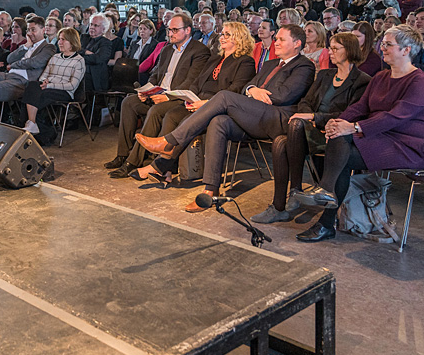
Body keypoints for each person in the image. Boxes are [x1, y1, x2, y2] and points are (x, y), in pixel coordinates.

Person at [133, 25, 316, 212]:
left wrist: (254, 92)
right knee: (218, 122)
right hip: (255, 116)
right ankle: (210, 192)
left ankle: (170, 141)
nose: (276, 42)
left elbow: (285, 95)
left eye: (281, 39)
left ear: (297, 43)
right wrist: (253, 90)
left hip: (279, 119)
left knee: (224, 96)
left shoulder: (304, 65)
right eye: (276, 38)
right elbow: (249, 86)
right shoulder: (270, 64)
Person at [295, 25, 424, 242]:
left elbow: (396, 117)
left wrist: (353, 128)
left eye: (388, 44)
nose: (382, 47)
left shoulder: (420, 81)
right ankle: (325, 213)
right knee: (338, 142)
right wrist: (338, 121)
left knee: (339, 151)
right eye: (383, 43)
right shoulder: (380, 77)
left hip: (407, 144)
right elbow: (360, 108)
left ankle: (325, 207)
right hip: (377, 135)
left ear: (406, 50)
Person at [250, 33, 371, 224]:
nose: (330, 52)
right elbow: (305, 102)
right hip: (309, 130)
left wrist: (314, 117)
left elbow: (351, 114)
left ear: (349, 51)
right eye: (330, 47)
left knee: (291, 130)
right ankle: (280, 205)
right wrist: (308, 116)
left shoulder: (362, 81)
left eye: (335, 49)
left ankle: (294, 191)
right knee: (281, 142)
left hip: (335, 135)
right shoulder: (325, 75)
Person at [129, 23, 257, 181]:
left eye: (227, 35)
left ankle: (158, 166)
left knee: (184, 121)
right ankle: (165, 170)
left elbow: (234, 91)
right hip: (197, 101)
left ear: (240, 38)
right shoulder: (215, 58)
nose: (222, 38)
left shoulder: (245, 62)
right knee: (171, 115)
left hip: (219, 107)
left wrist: (206, 103)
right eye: (222, 34)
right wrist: (189, 96)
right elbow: (197, 81)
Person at [105, 14, 210, 177]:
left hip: (178, 99)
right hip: (158, 93)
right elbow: (156, 74)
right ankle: (122, 154)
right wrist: (147, 90)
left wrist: (167, 96)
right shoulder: (167, 49)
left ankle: (132, 162)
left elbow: (192, 82)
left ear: (188, 30)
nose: (170, 33)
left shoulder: (199, 51)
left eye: (175, 30)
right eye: (169, 30)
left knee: (156, 111)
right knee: (128, 102)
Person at [0, 15, 57, 124]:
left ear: (43, 30)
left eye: (33, 30)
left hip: (23, 81)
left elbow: (35, 63)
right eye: (29, 30)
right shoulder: (27, 45)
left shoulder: (48, 47)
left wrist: (14, 65)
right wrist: (25, 46)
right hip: (8, 75)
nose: (30, 33)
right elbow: (9, 58)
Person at [21, 28, 86, 143]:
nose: (59, 42)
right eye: (59, 39)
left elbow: (72, 85)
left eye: (63, 40)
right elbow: (42, 77)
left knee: (36, 97)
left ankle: (39, 130)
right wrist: (44, 82)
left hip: (64, 92)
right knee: (31, 86)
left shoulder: (79, 61)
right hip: (47, 87)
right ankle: (33, 124)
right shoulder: (55, 57)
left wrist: (50, 85)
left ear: (72, 42)